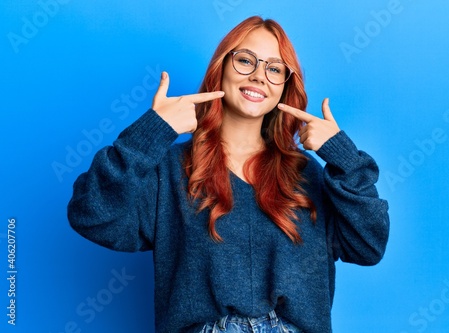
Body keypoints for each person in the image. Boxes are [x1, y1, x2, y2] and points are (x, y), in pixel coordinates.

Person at [68, 16, 390, 333]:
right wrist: (153, 130)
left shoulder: (308, 175)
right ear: (221, 68)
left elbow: (369, 245)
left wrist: (342, 156)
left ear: (285, 86)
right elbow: (91, 214)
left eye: (274, 69)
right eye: (246, 60)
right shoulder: (169, 170)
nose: (259, 76)